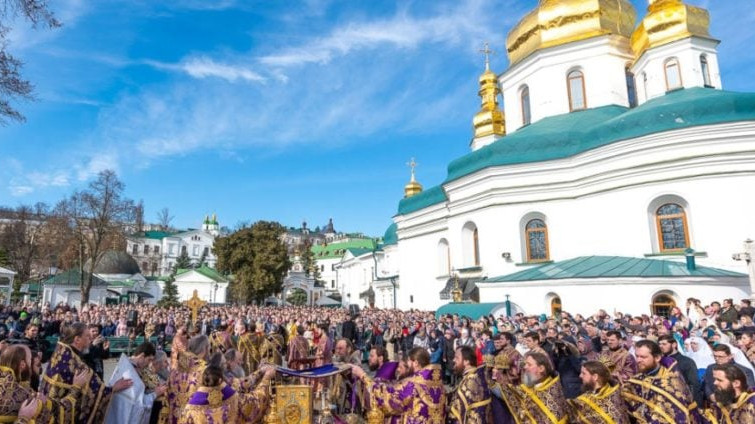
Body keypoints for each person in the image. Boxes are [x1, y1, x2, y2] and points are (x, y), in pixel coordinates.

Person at [40, 322, 133, 424]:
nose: (90, 340)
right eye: (88, 336)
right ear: (77, 339)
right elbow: (97, 392)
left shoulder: (60, 352)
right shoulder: (78, 365)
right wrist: (114, 388)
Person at [351, 347, 446, 423]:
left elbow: (388, 399)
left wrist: (363, 376)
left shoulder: (412, 384)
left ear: (416, 363)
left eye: (408, 361)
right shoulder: (440, 386)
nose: (407, 364)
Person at [0, 344, 88, 424]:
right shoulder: (23, 397)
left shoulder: (17, 387)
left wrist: (47, 402)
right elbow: (60, 416)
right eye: (30, 360)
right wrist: (23, 419)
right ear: (22, 365)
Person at [179, 353, 275, 424]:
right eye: (224, 363)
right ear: (220, 379)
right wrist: (266, 378)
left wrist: (260, 372)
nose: (227, 365)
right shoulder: (234, 400)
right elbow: (257, 400)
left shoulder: (189, 409)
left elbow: (242, 383)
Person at [622, 340, 699, 423]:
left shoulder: (672, 383)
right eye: (637, 356)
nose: (638, 360)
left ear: (657, 358)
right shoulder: (633, 381)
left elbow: (680, 415)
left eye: (643, 357)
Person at [106, 342, 168, 424]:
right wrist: (155, 393)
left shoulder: (126, 365)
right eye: (149, 359)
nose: (149, 364)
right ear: (142, 356)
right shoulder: (130, 373)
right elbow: (139, 406)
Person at [503, 351, 569, 423]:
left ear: (541, 369)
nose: (525, 367)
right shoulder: (530, 388)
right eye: (525, 364)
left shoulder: (553, 394)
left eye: (529, 364)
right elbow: (506, 390)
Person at [166, 334, 210, 424]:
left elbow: (168, 396)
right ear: (205, 349)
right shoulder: (206, 371)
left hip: (176, 418)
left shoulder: (174, 371)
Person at [447, 346, 492, 424]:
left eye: (457, 358)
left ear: (466, 361)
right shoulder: (476, 376)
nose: (454, 360)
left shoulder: (471, 381)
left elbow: (458, 411)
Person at [658, 334, 702, 406]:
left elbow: (694, 384)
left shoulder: (687, 361)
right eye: (659, 344)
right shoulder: (659, 361)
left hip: (682, 400)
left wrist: (695, 405)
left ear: (674, 344)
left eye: (664, 344)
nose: (661, 346)